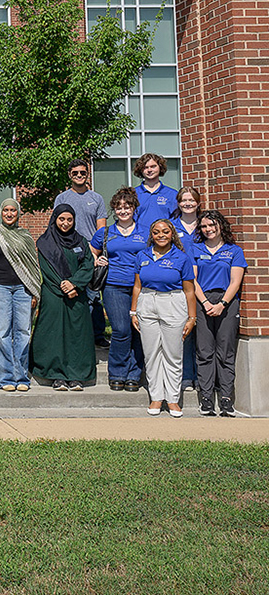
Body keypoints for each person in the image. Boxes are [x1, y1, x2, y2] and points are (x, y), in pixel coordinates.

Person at [132, 219, 196, 417]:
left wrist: (192, 317)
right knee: (151, 353)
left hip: (173, 303)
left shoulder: (181, 258)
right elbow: (137, 286)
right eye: (157, 232)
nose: (161, 235)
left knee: (172, 353)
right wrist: (133, 311)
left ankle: (173, 399)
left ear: (172, 234)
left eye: (165, 232)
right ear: (151, 235)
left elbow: (189, 291)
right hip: (147, 303)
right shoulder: (142, 255)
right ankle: (156, 397)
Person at [90, 188, 149, 392]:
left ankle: (134, 373)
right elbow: (91, 251)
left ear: (134, 208)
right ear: (114, 209)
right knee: (121, 330)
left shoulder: (145, 232)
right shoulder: (105, 232)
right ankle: (117, 372)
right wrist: (97, 259)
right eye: (119, 207)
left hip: (141, 287)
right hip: (113, 285)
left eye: (128, 206)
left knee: (138, 330)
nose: (123, 211)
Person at [31, 204, 95, 390]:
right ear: (55, 219)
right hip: (53, 295)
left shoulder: (81, 241)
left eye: (69, 219)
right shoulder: (45, 242)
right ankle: (56, 375)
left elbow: (88, 265)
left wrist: (75, 284)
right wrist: (65, 287)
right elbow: (46, 269)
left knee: (77, 335)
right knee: (54, 335)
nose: (65, 223)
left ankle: (76, 376)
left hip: (77, 295)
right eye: (62, 219)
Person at [0, 199, 41, 392]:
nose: (9, 213)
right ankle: (6, 377)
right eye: (6, 210)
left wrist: (33, 291)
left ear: (18, 213)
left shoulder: (25, 235)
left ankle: (22, 376)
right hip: (1, 289)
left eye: (13, 211)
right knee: (2, 333)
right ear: (1, 212)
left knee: (23, 333)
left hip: (24, 289)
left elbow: (33, 266)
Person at [192, 211, 246, 417]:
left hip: (227, 302)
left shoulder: (234, 251)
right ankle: (206, 399)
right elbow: (192, 279)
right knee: (204, 351)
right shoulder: (195, 249)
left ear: (221, 226)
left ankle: (226, 399)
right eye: (204, 226)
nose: (208, 229)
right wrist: (205, 303)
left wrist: (222, 303)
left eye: (212, 225)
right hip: (202, 300)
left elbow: (236, 281)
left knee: (225, 351)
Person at [54, 159, 108, 348]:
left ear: (87, 175)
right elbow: (57, 226)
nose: (79, 176)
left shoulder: (97, 198)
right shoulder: (62, 198)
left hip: (91, 252)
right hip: (68, 251)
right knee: (72, 292)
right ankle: (75, 335)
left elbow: (102, 230)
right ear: (70, 174)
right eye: (75, 172)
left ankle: (97, 335)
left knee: (93, 295)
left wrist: (94, 254)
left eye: (82, 173)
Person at [172, 187, 202, 391]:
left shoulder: (207, 225)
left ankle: (204, 378)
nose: (188, 203)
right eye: (184, 200)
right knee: (185, 332)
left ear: (198, 203)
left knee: (205, 334)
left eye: (191, 200)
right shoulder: (172, 226)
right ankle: (187, 377)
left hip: (205, 284)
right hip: (180, 284)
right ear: (178, 203)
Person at [133, 152, 178, 233]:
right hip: (139, 241)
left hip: (164, 240)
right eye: (145, 167)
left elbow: (177, 220)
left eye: (153, 166)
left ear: (160, 167)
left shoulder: (172, 194)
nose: (149, 170)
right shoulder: (133, 194)